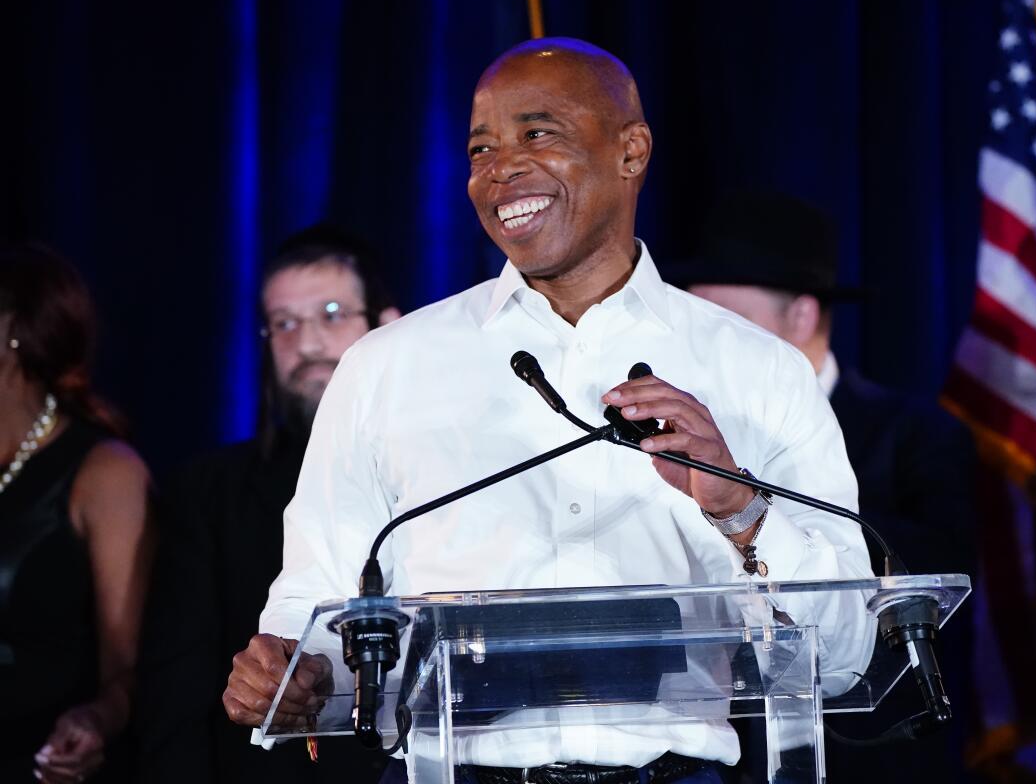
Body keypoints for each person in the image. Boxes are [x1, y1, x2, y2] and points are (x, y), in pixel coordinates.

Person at [223, 38, 875, 784]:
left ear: (631, 152)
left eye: (538, 134)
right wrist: (296, 674)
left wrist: (741, 510)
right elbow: (320, 604)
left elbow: (848, 654)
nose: (500, 168)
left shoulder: (757, 371)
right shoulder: (385, 367)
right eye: (480, 148)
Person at [674, 192, 977, 783]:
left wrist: (754, 512)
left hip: (873, 752)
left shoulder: (915, 433)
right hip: (720, 754)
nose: (706, 340)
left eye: (726, 319)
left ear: (803, 317)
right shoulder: (675, 444)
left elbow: (936, 572)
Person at [135, 225, 401, 783]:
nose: (306, 344)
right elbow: (175, 699)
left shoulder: (445, 469)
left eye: (332, 313)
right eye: (284, 324)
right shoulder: (209, 493)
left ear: (387, 325)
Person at [0, 242, 154, 783]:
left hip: (40, 762)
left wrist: (92, 721)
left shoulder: (104, 471)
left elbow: (129, 672)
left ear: (14, 331)